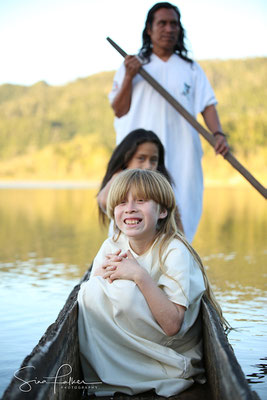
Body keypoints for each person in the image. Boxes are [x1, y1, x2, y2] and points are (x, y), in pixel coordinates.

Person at [78, 169, 227, 397]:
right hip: (133, 341)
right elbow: (93, 297)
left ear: (162, 211)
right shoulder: (112, 245)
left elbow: (172, 326)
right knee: (89, 292)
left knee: (124, 291)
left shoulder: (174, 250)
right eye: (121, 202)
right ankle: (117, 368)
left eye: (141, 200)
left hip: (171, 349)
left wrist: (140, 276)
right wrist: (100, 274)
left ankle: (144, 371)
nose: (130, 208)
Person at [108, 2, 230, 243]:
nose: (169, 28)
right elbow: (119, 110)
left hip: (182, 155)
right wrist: (130, 76)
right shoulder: (133, 65)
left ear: (180, 29)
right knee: (135, 207)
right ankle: (127, 264)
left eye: (174, 23)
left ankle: (178, 263)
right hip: (140, 156)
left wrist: (218, 134)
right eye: (162, 23)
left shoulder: (191, 69)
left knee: (180, 207)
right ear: (149, 30)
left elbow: (207, 105)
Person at [97, 128, 184, 233]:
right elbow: (103, 200)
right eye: (141, 158)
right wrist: (119, 175)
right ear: (126, 159)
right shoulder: (117, 181)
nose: (148, 166)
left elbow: (180, 234)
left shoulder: (161, 193)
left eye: (153, 160)